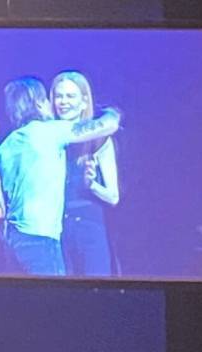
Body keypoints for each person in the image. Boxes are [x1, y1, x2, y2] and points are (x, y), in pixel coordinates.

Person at [0, 76, 121, 276]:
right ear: (40, 103)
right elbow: (107, 126)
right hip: (41, 240)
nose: (58, 102)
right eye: (53, 97)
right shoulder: (51, 132)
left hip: (13, 240)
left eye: (69, 96)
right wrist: (112, 113)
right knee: (56, 300)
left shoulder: (5, 146)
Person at [50, 71, 119, 277]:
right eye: (59, 96)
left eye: (70, 96)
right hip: (56, 230)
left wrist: (92, 185)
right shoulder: (49, 138)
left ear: (83, 101)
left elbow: (113, 197)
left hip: (90, 229)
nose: (63, 102)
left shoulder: (99, 140)